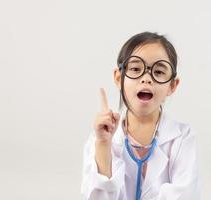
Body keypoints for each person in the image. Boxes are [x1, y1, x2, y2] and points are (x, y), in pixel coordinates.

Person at [81, 32, 200, 200]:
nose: (146, 78)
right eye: (136, 69)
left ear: (172, 85)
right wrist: (103, 144)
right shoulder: (100, 138)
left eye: (158, 72)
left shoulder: (183, 138)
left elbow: (185, 195)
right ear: (118, 78)